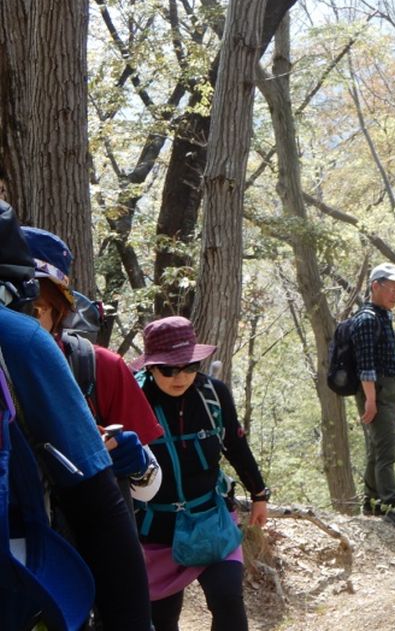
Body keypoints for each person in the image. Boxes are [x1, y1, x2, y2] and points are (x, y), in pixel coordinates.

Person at [0, 201, 153, 630]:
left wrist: (136, 464)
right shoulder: (24, 345)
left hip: (60, 556)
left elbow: (140, 483)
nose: (31, 316)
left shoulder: (98, 365)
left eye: (38, 308)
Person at [132, 316, 270, 631]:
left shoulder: (214, 395)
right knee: (163, 619)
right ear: (151, 367)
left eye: (190, 366)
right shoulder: (135, 399)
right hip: (155, 530)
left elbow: (235, 446)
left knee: (228, 602)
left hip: (211, 520)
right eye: (168, 369)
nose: (180, 377)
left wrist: (259, 494)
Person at [22, 226, 164, 506]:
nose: (12, 316)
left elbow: (148, 488)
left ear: (58, 310)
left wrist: (134, 462)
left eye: (32, 309)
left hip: (73, 538)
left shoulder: (100, 367)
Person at [352, 262, 395, 528]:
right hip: (374, 390)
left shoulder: (383, 316)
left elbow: (389, 361)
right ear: (375, 286)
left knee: (379, 448)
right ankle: (392, 506)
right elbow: (365, 364)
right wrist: (371, 400)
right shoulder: (366, 319)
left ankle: (372, 500)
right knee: (386, 452)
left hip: (387, 389)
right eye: (391, 288)